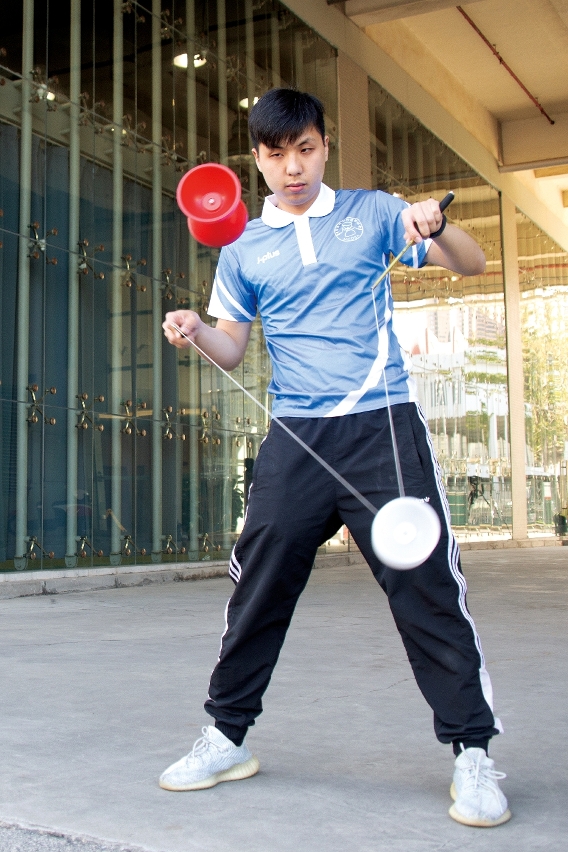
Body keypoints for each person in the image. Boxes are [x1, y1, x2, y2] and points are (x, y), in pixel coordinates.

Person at [161, 88, 511, 828]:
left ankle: (473, 753)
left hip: (382, 428)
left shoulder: (375, 213)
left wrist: (439, 225)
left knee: (425, 587)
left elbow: (474, 264)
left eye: (306, 149)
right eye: (277, 154)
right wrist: (196, 329)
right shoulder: (243, 248)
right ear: (257, 161)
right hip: (297, 437)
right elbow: (232, 348)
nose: (293, 167)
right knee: (258, 584)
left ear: (324, 147)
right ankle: (226, 736)